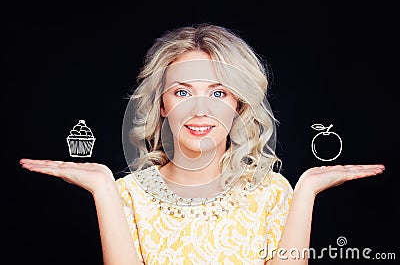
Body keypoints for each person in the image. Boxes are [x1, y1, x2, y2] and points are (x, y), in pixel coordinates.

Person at [20, 23, 385, 265]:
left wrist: (305, 190)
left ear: (238, 105)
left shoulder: (271, 192)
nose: (199, 110)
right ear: (163, 105)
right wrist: (102, 187)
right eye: (182, 92)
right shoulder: (127, 194)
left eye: (218, 93)